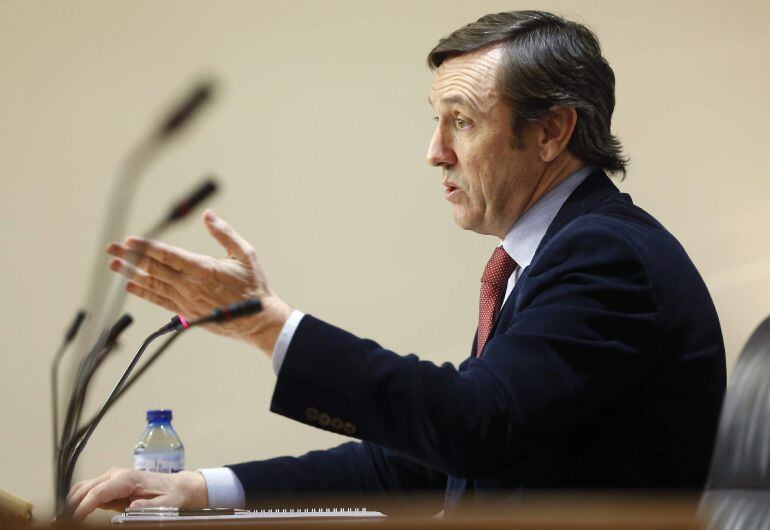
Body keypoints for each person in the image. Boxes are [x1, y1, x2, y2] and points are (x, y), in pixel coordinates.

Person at [67, 10, 726, 520]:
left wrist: (270, 327)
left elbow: (470, 426)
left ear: (552, 132)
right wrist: (199, 488)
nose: (434, 152)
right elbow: (428, 461)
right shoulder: (556, 254)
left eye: (461, 122)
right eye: (436, 121)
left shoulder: (606, 255)